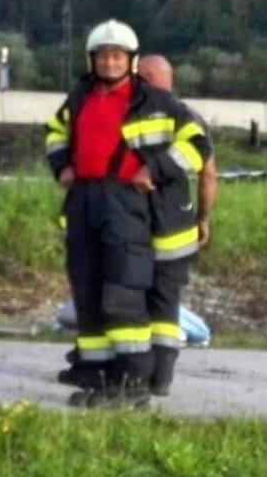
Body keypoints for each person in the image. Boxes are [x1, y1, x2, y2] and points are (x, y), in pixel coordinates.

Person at [44, 20, 209, 408]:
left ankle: (133, 384)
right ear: (92, 60)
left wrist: (154, 169)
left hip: (125, 204)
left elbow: (196, 144)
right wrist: (62, 165)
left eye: (118, 56)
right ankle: (101, 380)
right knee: (89, 293)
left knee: (122, 293)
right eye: (103, 56)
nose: (110, 62)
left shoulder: (154, 101)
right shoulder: (80, 96)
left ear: (130, 61)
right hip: (84, 199)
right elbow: (55, 131)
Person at [134, 53, 217, 397]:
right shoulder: (189, 117)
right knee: (166, 302)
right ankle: (162, 377)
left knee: (134, 298)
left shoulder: (130, 114)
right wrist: (202, 217)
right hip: (179, 224)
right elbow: (208, 173)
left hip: (136, 224)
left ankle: (134, 373)